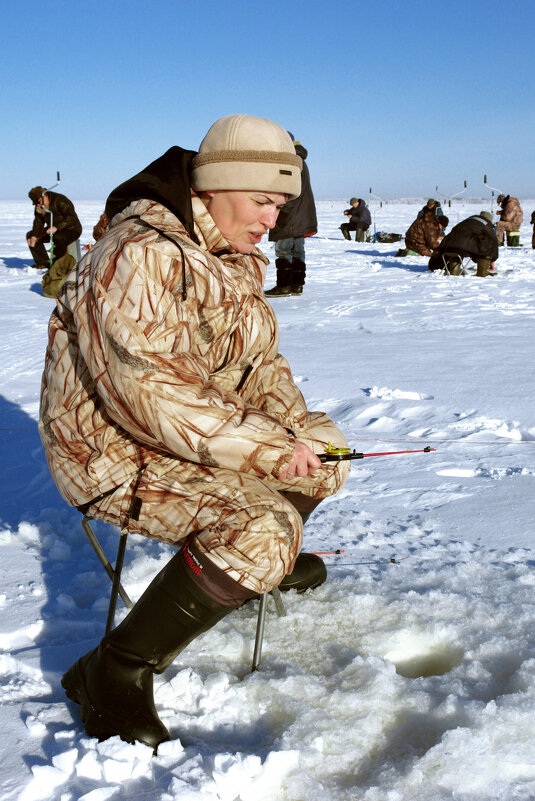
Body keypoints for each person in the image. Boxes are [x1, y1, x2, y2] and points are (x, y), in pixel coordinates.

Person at [39, 114, 350, 750]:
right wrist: (266, 447)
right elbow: (147, 391)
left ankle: (255, 560)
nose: (272, 220)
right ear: (213, 187)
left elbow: (258, 365)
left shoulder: (231, 260)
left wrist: (299, 433)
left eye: (281, 204)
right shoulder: (141, 254)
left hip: (186, 434)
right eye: (262, 201)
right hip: (111, 452)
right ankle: (114, 671)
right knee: (263, 525)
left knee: (328, 456)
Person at [264, 134, 317, 297]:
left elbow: (288, 189)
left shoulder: (291, 160)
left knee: (284, 249)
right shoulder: (299, 159)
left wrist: (279, 207)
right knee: (297, 250)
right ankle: (297, 285)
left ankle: (285, 285)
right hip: (301, 214)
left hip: (291, 214)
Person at [26, 186, 83, 296]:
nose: (38, 205)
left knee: (59, 238)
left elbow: (71, 218)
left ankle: (57, 267)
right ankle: (43, 263)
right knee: (30, 235)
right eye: (35, 204)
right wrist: (34, 236)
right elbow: (38, 223)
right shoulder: (39, 207)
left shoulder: (60, 200)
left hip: (71, 229)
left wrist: (57, 227)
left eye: (38, 202)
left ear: (45, 196)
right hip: (52, 230)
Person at [428, 211, 498, 277]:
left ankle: (454, 271)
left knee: (456, 249)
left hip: (448, 246)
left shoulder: (468, 220)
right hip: (462, 248)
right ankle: (482, 272)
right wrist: (492, 259)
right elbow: (494, 242)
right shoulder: (487, 224)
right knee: (487, 243)